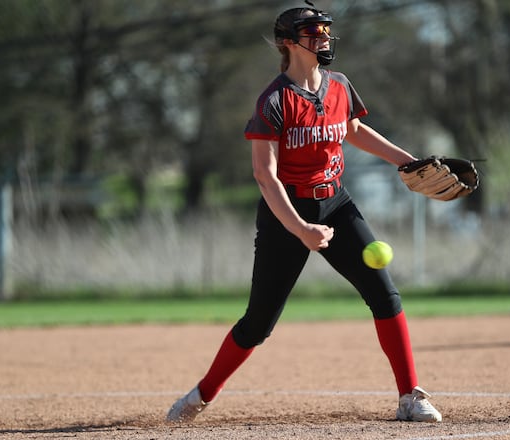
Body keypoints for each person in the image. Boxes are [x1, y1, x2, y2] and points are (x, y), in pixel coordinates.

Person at [165, 3, 442, 424]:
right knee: (258, 323)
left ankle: (409, 395)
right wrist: (299, 229)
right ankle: (200, 395)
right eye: (314, 32)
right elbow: (264, 175)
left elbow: (351, 129)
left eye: (326, 31)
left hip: (336, 202)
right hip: (286, 212)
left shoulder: (339, 85)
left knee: (385, 295)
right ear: (288, 42)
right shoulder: (274, 100)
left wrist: (408, 161)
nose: (324, 39)